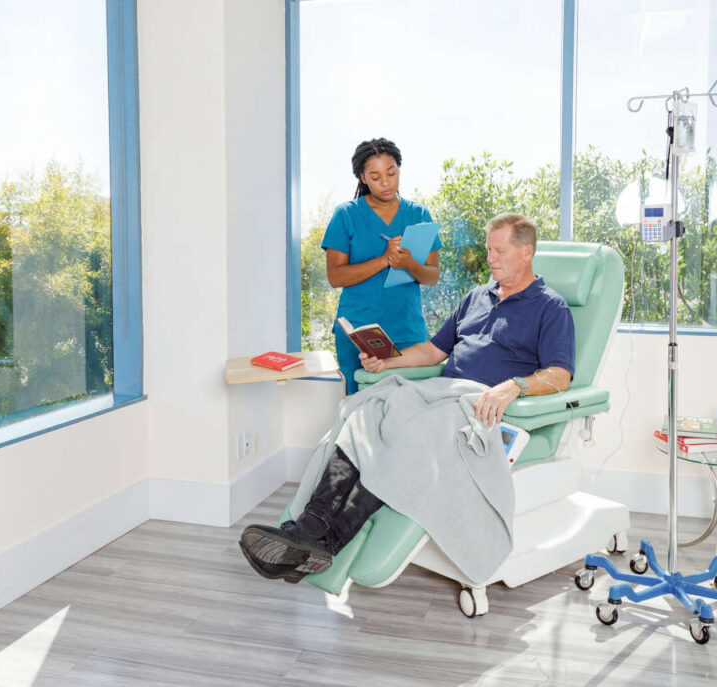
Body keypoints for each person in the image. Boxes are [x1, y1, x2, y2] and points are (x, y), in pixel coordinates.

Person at [240, 213, 574, 583]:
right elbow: (433, 351)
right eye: (488, 250)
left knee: (402, 438)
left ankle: (322, 541)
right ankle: (308, 532)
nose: (490, 258)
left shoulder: (550, 307)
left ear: (526, 252)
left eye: (499, 251)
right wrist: (388, 361)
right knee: (366, 414)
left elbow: (561, 374)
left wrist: (513, 387)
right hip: (442, 393)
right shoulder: (476, 297)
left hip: (477, 407)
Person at [322, 138, 442, 394]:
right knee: (359, 407)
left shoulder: (419, 215)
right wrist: (384, 260)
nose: (386, 182)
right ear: (363, 178)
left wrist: (408, 263)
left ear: (399, 169)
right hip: (360, 333)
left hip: (408, 330)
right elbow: (335, 276)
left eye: (391, 173)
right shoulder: (346, 214)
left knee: (410, 405)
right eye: (375, 177)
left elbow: (432, 276)